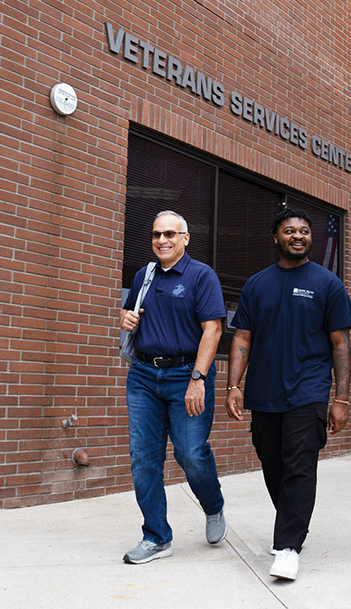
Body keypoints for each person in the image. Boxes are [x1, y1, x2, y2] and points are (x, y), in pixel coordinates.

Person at [225, 208, 351, 581]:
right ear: (276, 237)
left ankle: (287, 547)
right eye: (289, 231)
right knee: (272, 464)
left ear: (310, 238)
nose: (297, 236)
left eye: (303, 231)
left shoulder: (328, 283)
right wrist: (234, 386)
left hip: (309, 389)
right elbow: (242, 338)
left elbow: (340, 345)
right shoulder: (256, 285)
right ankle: (290, 524)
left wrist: (340, 398)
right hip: (264, 392)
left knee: (299, 467)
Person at [119, 210, 227, 564]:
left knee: (191, 453)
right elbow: (128, 315)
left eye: (169, 234)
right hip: (144, 376)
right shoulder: (144, 275)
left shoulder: (201, 276)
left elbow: (213, 329)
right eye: (156, 235)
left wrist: (198, 378)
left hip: (187, 375)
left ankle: (213, 505)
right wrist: (125, 318)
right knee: (144, 459)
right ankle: (156, 536)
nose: (161, 240)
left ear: (185, 238)